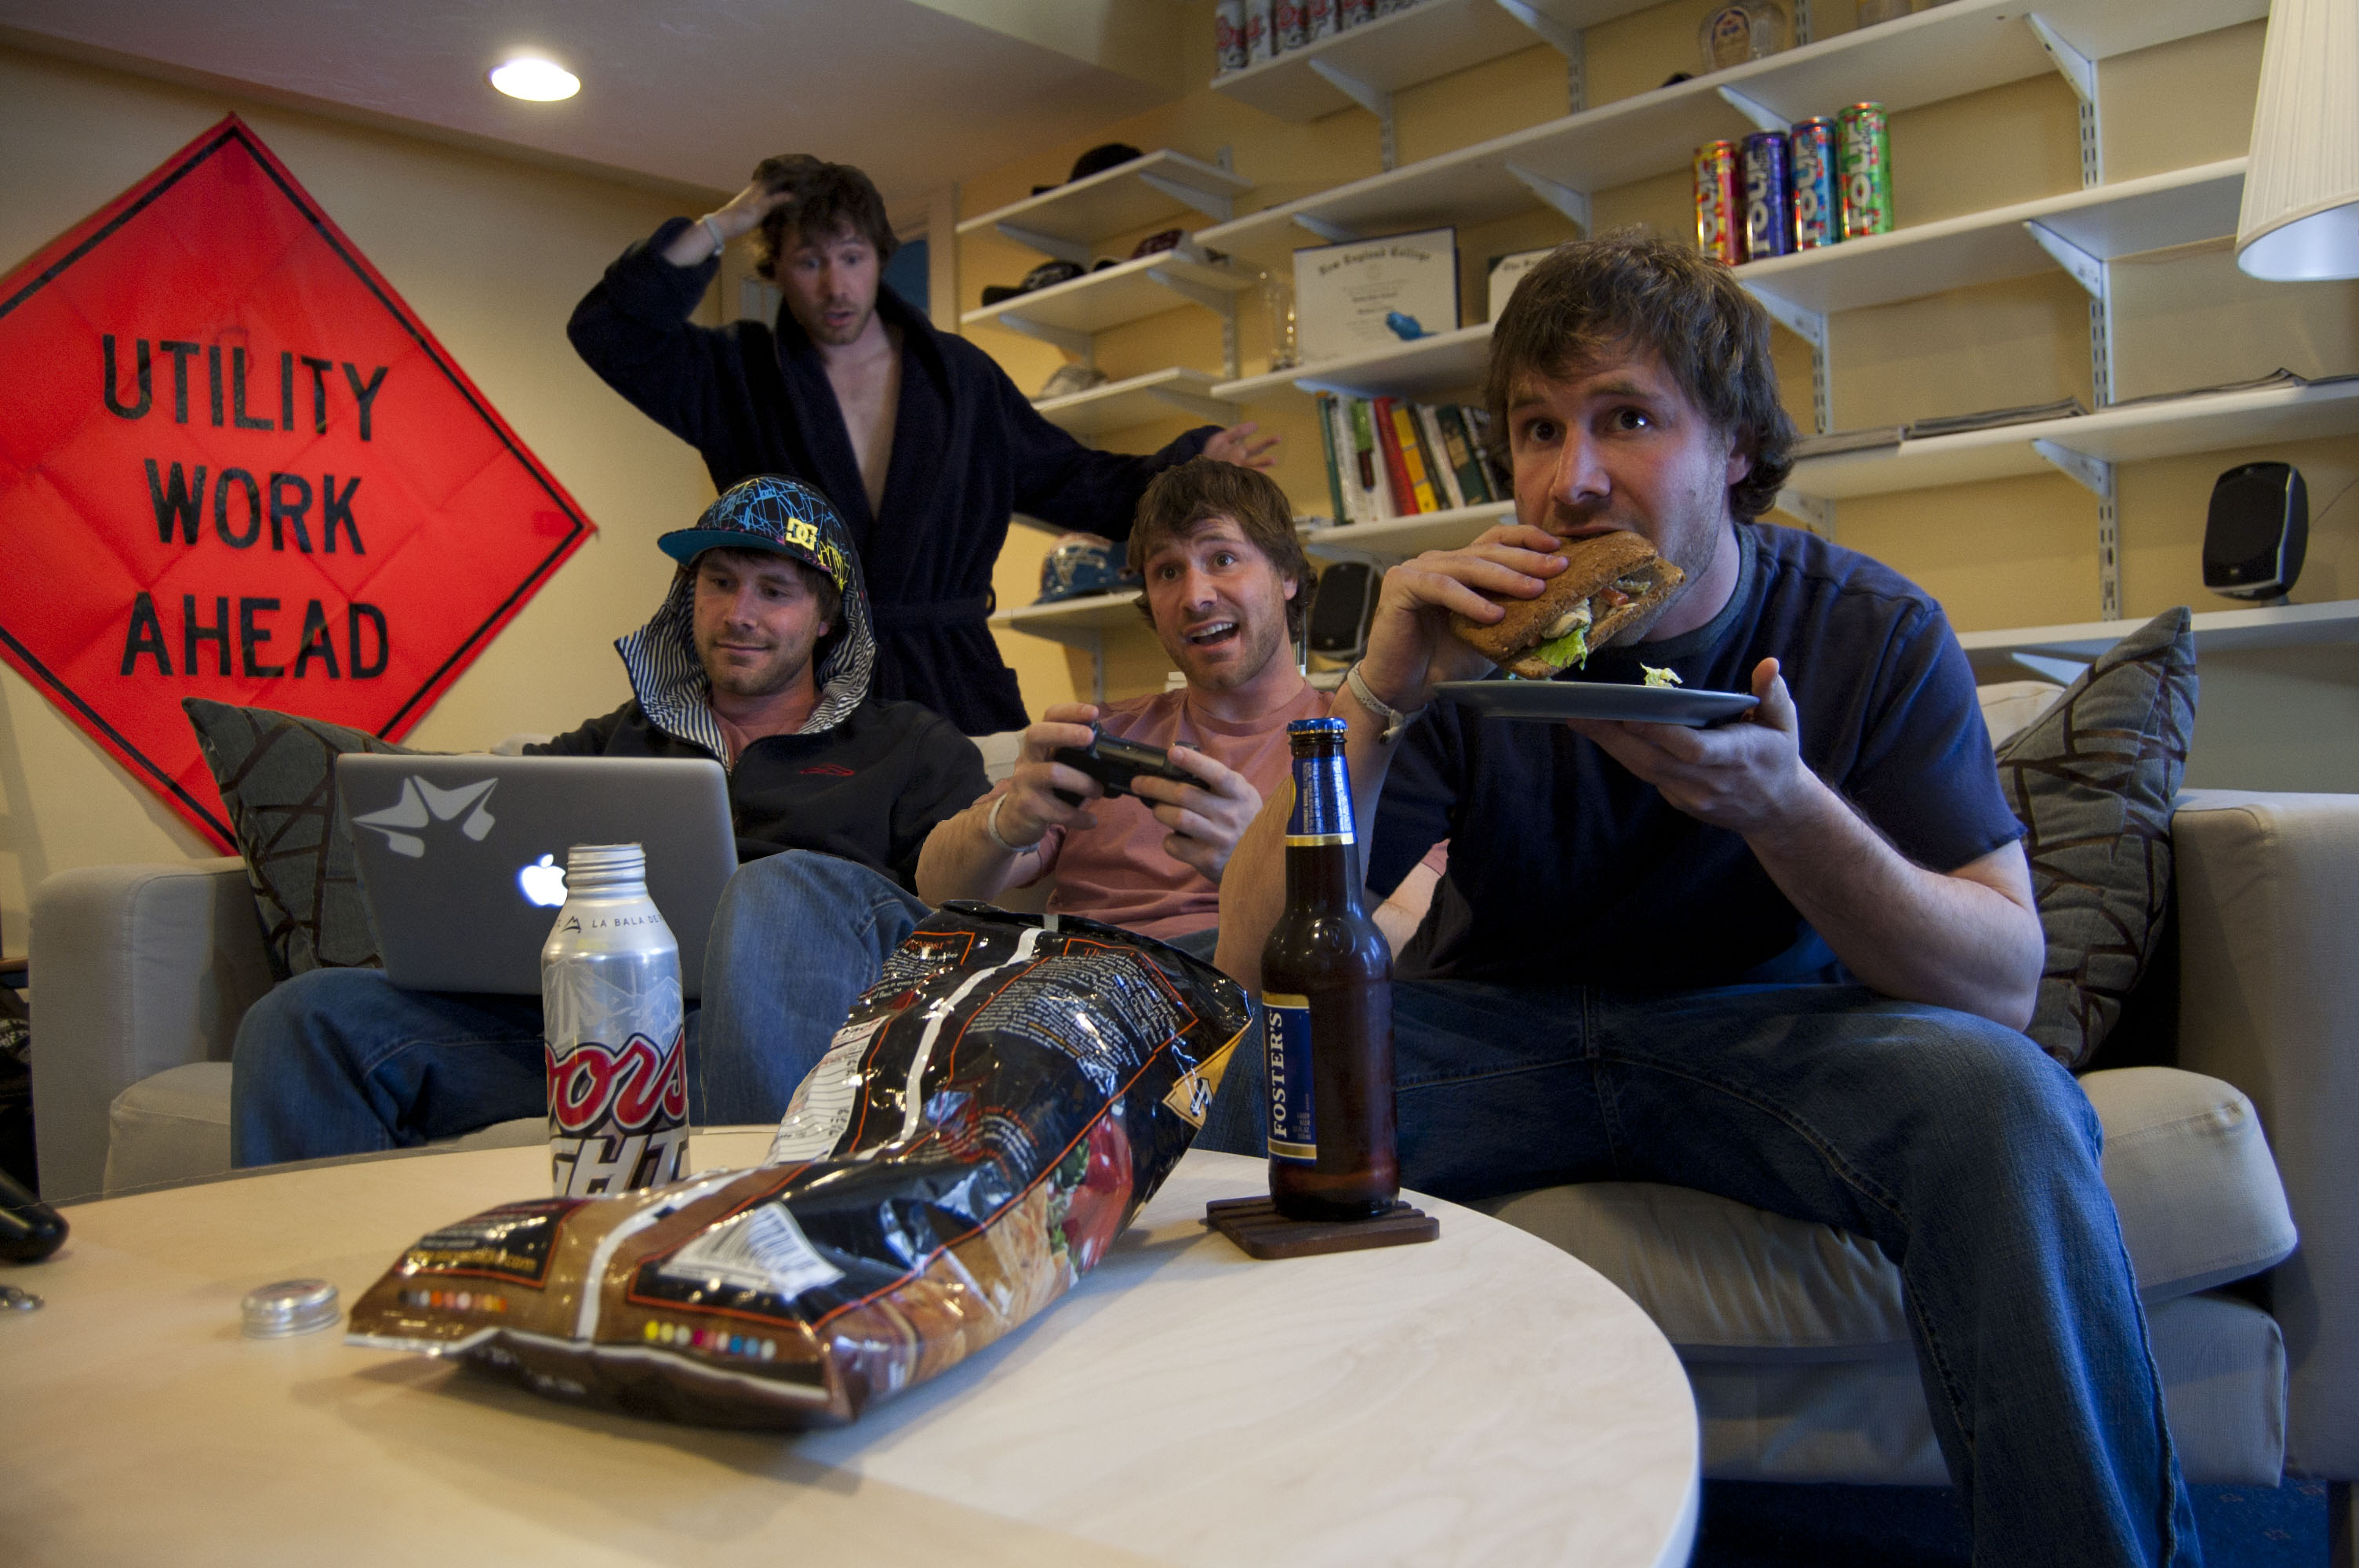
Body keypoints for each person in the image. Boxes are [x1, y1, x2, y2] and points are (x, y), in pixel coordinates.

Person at [1213, 234, 2199, 1566]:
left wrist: (1785, 810)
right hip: (1503, 1032)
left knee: (2004, 1106)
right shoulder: (1464, 647)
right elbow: (1247, 954)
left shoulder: (1869, 630)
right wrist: (1378, 694)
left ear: (1735, 444)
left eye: (1625, 419)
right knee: (1248, 1079)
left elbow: (2000, 984)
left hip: (1771, 1039)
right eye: (1536, 429)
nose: (1569, 480)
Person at [229, 477, 987, 1166]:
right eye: (719, 583)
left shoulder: (909, 745)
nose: (739, 614)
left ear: (826, 617)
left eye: (774, 591)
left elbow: (968, 917)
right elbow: (495, 839)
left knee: (773, 889)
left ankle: (761, 1234)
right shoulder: (612, 744)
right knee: (306, 1018)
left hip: (781, 1035)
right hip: (587, 1033)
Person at [685, 456, 1330, 1126]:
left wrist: (1256, 874)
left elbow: (1373, 946)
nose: (1194, 595)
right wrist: (1011, 817)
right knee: (777, 884)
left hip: (1202, 996)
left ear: (1287, 574)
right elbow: (937, 889)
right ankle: (775, 1177)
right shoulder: (1104, 731)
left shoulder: (1355, 745)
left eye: (1223, 559)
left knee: (1267, 978)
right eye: (1167, 571)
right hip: (1039, 982)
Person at [567, 154, 1279, 736]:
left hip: (951, 682)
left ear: (879, 257)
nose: (836, 286)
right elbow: (608, 332)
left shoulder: (960, 380)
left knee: (983, 862)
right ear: (775, 268)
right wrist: (725, 223)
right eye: (809, 262)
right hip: (805, 690)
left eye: (852, 258)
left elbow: (1077, 483)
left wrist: (1193, 467)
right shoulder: (738, 376)